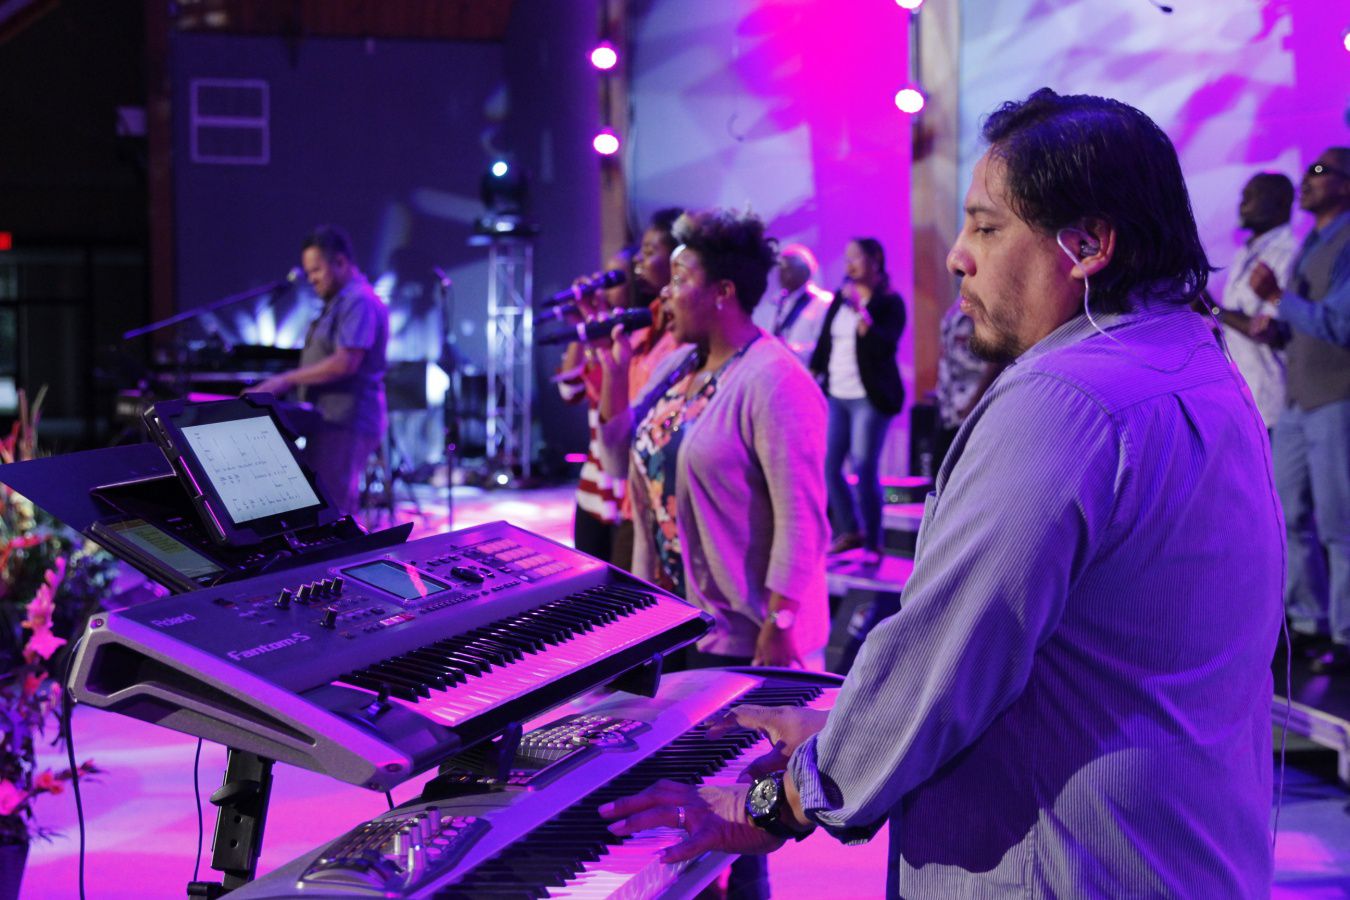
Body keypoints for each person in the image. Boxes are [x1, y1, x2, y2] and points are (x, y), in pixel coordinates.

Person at [601, 89, 1283, 898]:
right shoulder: (1200, 365)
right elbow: (1107, 657)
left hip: (1062, 866)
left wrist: (780, 799)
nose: (958, 255)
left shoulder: (1063, 399)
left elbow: (952, 654)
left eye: (987, 228)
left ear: (1089, 245)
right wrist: (850, 727)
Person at [1250, 147, 1350, 673]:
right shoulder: (1312, 241)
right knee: (1287, 516)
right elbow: (1307, 323)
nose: (1306, 180)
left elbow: (1339, 324)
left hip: (1336, 397)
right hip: (1297, 397)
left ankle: (1345, 636)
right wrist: (1276, 326)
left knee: (1339, 522)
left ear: (1347, 185)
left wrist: (1278, 298)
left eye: (1320, 171)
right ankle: (1308, 623)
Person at [252, 225, 389, 518]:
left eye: (316, 270)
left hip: (347, 420)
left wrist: (283, 381)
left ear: (340, 262)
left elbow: (345, 362)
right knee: (323, 504)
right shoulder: (339, 302)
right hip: (330, 420)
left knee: (334, 509)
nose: (311, 279)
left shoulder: (359, 301)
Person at [807, 238, 906, 559]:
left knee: (864, 467)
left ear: (875, 260)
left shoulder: (890, 302)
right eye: (846, 258)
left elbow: (884, 346)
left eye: (855, 258)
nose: (848, 264)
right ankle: (850, 530)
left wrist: (861, 311)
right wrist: (813, 374)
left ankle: (874, 541)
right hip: (837, 394)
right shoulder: (840, 297)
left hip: (869, 397)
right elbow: (825, 343)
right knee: (829, 466)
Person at [1208, 172, 1298, 429]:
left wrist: (1214, 309)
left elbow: (1267, 329)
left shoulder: (1289, 253)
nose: (1243, 202)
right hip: (1242, 397)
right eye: (1243, 195)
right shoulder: (1246, 252)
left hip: (1272, 401)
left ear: (1281, 202)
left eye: (1253, 195)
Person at [933, 303, 1003, 470]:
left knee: (965, 468)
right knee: (940, 468)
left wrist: (975, 400)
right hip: (948, 406)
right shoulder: (954, 310)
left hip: (971, 403)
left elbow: (996, 359)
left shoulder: (984, 308)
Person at [751, 243, 832, 366]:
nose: (781, 275)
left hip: (806, 370)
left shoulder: (822, 302)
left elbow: (825, 346)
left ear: (803, 271)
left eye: (787, 269)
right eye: (780, 270)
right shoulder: (779, 301)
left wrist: (791, 350)